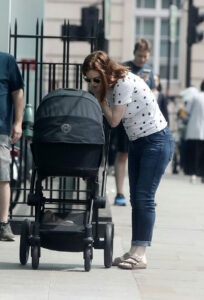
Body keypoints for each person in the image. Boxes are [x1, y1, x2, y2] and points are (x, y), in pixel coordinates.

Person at [81, 50, 174, 270]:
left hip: (156, 141)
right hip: (138, 142)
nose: (92, 83)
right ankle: (134, 250)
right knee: (136, 198)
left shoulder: (122, 82)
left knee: (144, 198)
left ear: (106, 73)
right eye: (88, 79)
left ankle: (141, 254)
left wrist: (100, 98)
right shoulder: (111, 84)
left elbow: (114, 120)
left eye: (96, 79)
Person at [114, 39, 155, 206]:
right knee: (123, 155)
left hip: (145, 121)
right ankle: (120, 192)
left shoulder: (150, 71)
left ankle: (140, 193)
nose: (142, 60)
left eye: (145, 56)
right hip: (127, 119)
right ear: (134, 53)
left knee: (143, 157)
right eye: (140, 56)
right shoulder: (125, 68)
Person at [0, 52, 24, 241]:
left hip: (1, 129)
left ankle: (3, 223)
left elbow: (18, 92)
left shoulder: (6, 61)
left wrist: (18, 122)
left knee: (3, 177)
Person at [181, 83, 204, 183]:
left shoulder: (196, 97)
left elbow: (187, 111)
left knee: (194, 154)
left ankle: (194, 174)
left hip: (194, 130)